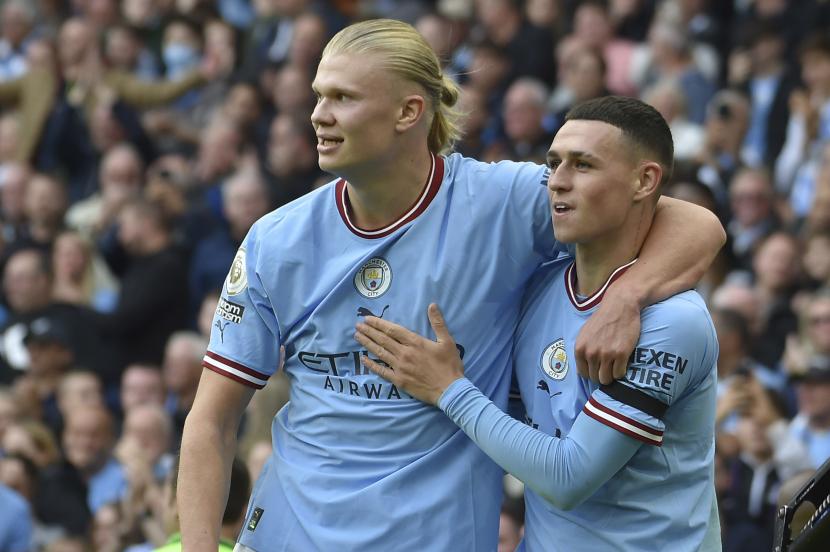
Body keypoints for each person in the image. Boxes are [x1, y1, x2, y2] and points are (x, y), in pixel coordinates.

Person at [178, 20, 725, 551]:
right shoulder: (277, 240)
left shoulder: (501, 204)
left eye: (343, 98)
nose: (318, 115)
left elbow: (690, 221)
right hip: (287, 536)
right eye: (319, 96)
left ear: (409, 111)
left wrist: (626, 297)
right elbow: (211, 420)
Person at [356, 96, 721, 550]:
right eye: (554, 163)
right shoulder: (540, 288)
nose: (557, 182)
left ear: (644, 181)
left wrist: (449, 389)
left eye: (583, 166)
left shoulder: (673, 322)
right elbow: (508, 419)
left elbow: (569, 477)